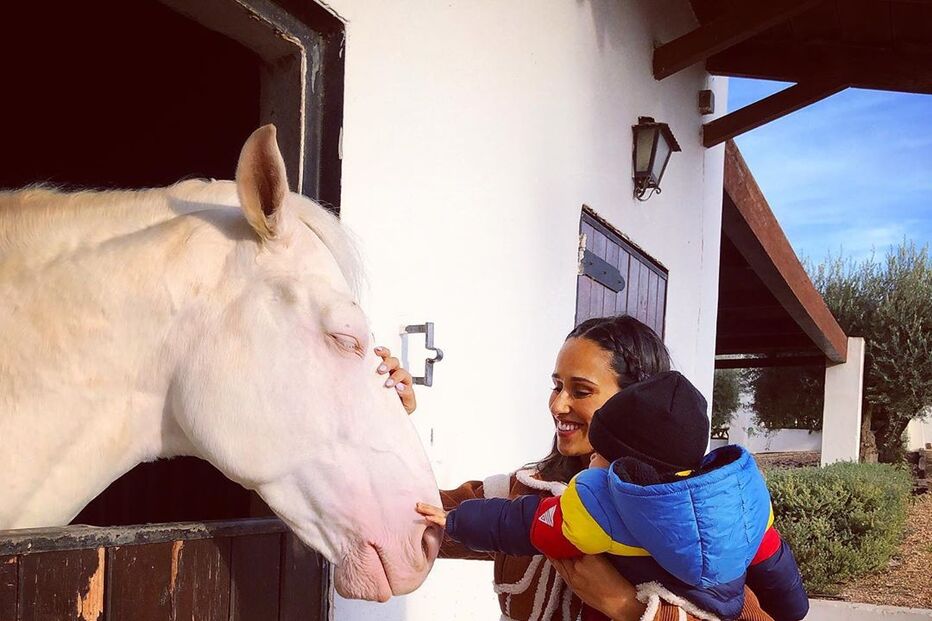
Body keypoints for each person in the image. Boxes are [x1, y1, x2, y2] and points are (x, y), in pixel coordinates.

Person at [375, 316, 782, 621]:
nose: (558, 405)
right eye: (557, 386)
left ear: (637, 402)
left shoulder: (685, 517)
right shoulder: (523, 493)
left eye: (581, 391)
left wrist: (629, 608)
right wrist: (385, 417)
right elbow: (412, 518)